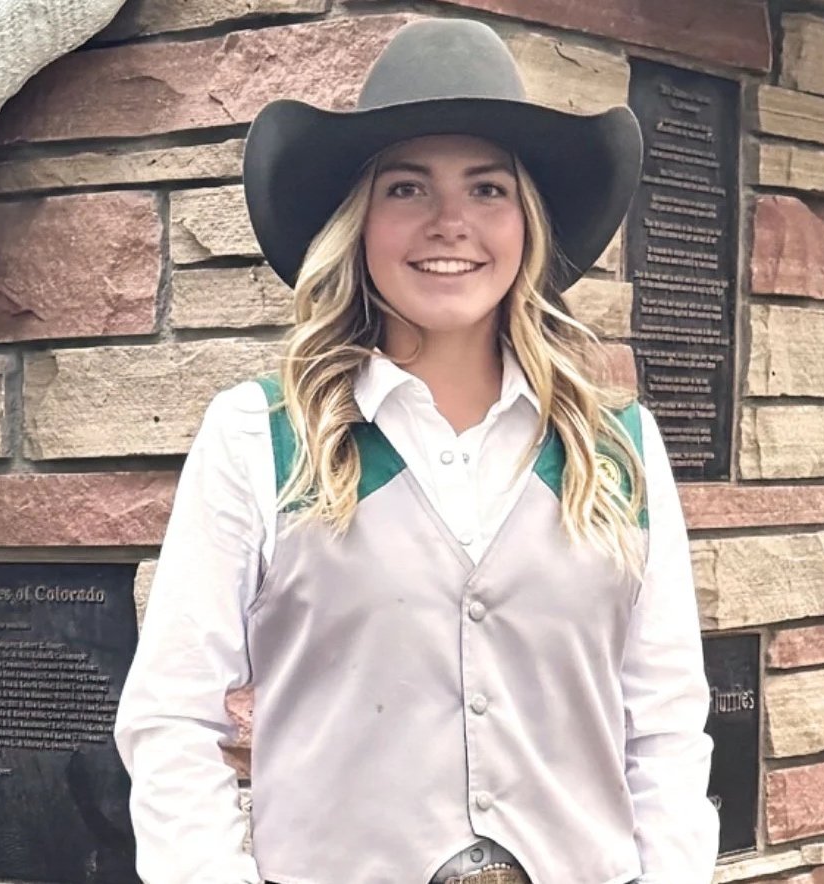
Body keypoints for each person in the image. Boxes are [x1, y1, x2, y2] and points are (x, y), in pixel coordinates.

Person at [114, 17, 718, 884]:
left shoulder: (617, 447)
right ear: (357, 223)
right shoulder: (259, 436)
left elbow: (661, 722)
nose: (448, 223)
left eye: (486, 190)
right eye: (405, 190)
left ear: (526, 221)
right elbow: (172, 718)